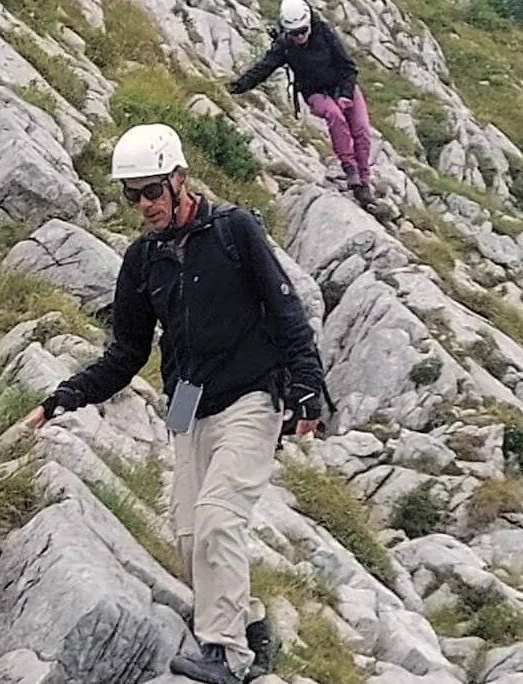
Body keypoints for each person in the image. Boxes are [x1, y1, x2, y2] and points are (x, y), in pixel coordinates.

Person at [23, 122, 327, 684]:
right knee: (190, 542)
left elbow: (287, 312)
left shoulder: (235, 231)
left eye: (152, 191)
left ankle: (226, 655)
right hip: (188, 405)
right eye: (132, 195)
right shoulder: (141, 262)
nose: (143, 205)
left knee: (217, 521)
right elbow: (127, 353)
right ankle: (252, 625)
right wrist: (64, 396)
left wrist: (309, 389)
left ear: (180, 179)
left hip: (252, 397)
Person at [226, 0, 375, 206]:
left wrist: (346, 94)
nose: (299, 36)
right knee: (334, 115)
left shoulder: (324, 32)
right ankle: (350, 169)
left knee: (361, 130)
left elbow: (348, 67)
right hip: (314, 92)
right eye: (294, 33)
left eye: (303, 31)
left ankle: (364, 181)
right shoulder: (285, 46)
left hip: (343, 85)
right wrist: (239, 85)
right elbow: (264, 68)